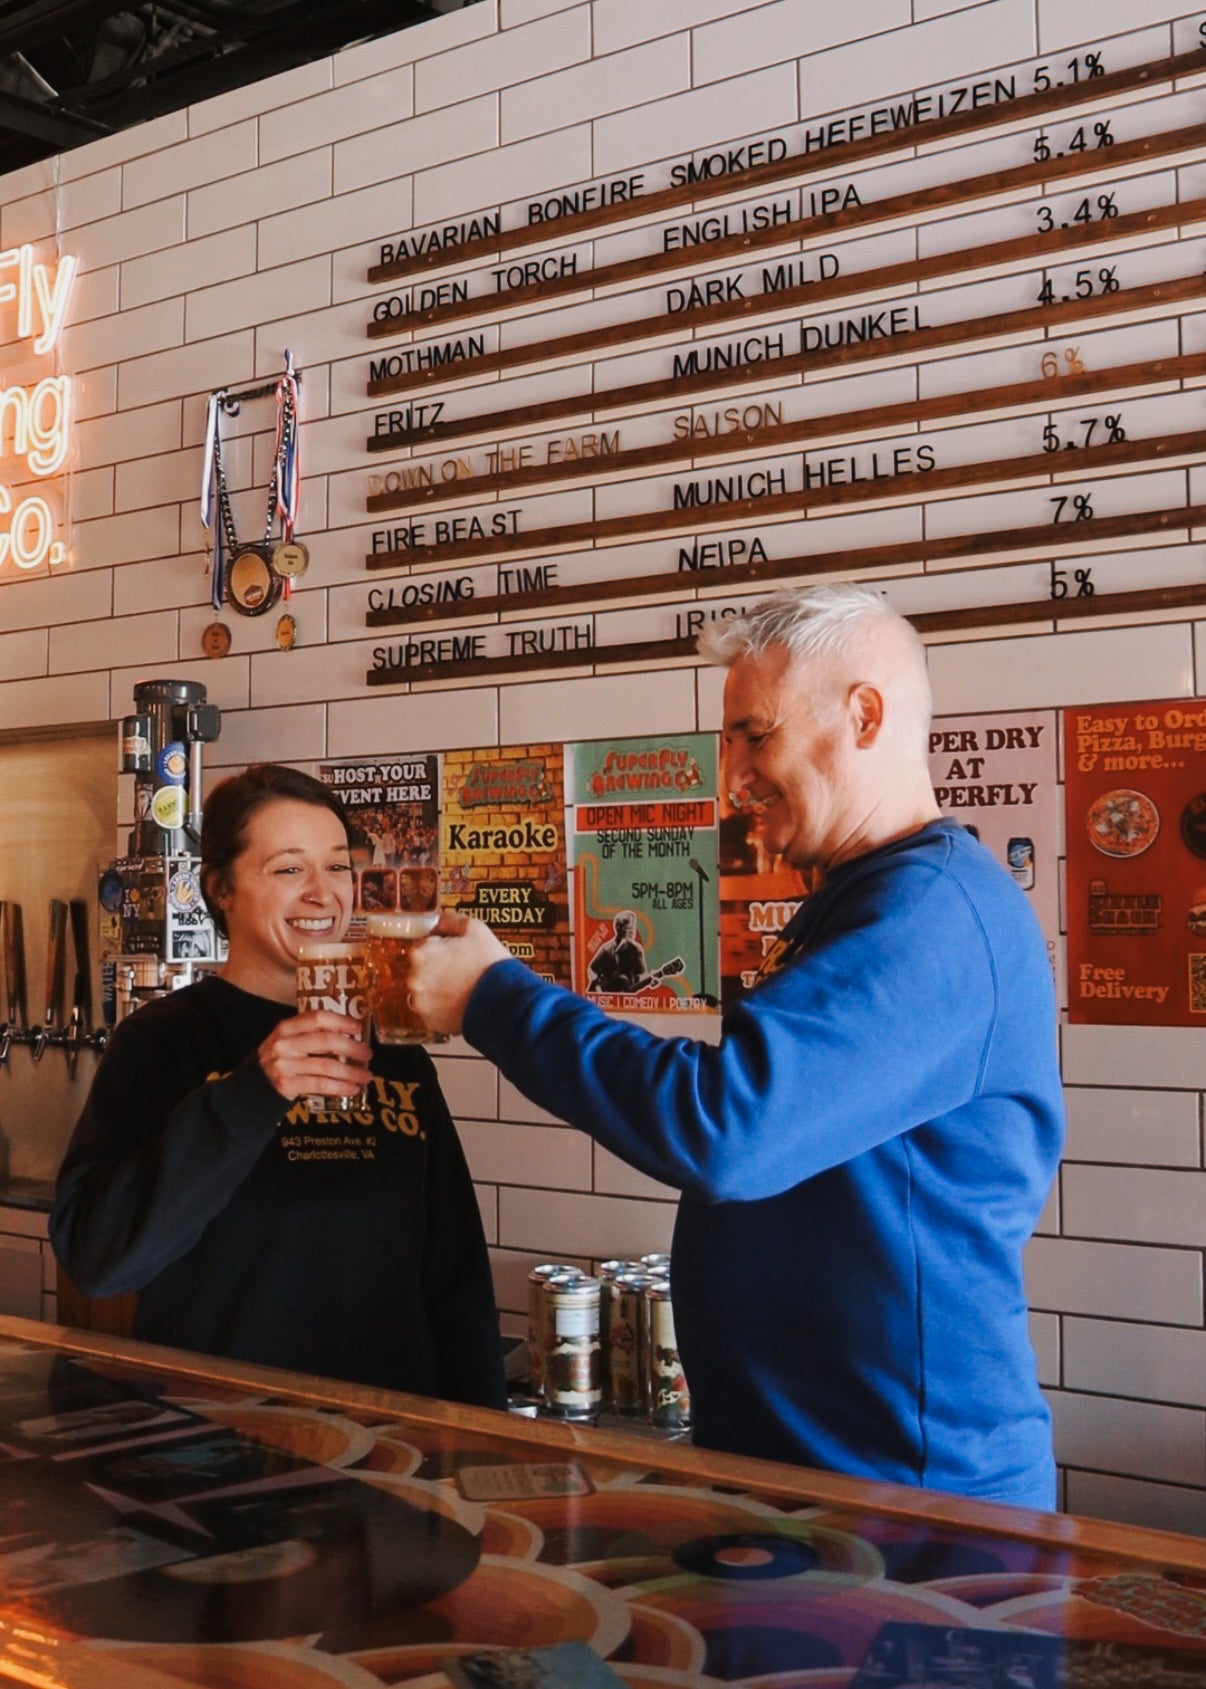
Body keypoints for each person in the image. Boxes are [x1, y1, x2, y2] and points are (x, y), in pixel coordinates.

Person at [408, 584, 1064, 1507]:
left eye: (755, 735)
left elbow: (727, 1124)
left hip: (909, 1507)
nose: (732, 778)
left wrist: (494, 996)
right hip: (815, 1480)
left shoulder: (931, 915)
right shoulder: (870, 902)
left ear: (863, 715)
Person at [51, 763, 506, 1410]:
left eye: (339, 866)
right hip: (217, 1448)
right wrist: (250, 1093)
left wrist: (479, 1443)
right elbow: (97, 1257)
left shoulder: (394, 1051)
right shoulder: (165, 1042)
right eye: (289, 868)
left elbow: (455, 1274)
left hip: (390, 1456)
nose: (324, 893)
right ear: (222, 889)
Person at [587, 911, 649, 993]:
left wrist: (650, 980)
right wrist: (598, 987)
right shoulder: (607, 949)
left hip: (627, 996)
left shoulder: (637, 949)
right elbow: (591, 969)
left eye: (633, 928)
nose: (632, 932)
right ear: (618, 929)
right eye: (628, 928)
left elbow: (643, 975)